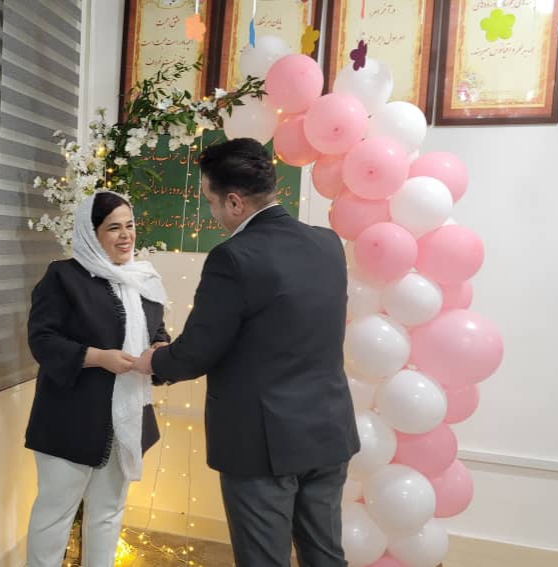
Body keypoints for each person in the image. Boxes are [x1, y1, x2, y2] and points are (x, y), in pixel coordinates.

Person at [134, 138, 360, 567]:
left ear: (235, 202)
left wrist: (155, 361)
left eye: (211, 201)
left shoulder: (233, 257)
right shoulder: (327, 243)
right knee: (326, 556)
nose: (212, 213)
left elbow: (199, 350)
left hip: (261, 443)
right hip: (328, 429)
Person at [24, 191, 169, 567]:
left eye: (130, 225)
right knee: (54, 517)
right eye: (114, 227)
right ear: (91, 233)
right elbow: (42, 340)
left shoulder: (143, 278)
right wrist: (98, 358)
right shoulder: (64, 277)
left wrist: (159, 349)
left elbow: (157, 331)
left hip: (125, 421)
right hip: (70, 420)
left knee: (107, 515)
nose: (126, 235)